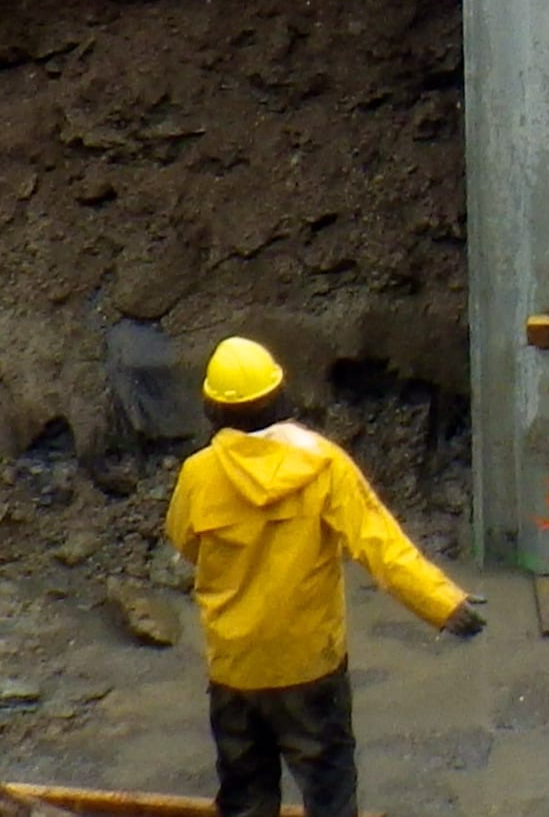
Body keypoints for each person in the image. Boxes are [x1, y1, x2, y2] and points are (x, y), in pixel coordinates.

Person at [166, 336, 483, 817]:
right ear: (280, 397)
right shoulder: (322, 464)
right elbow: (380, 545)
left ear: (212, 409)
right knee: (329, 791)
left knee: (245, 794)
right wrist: (443, 603)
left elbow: (186, 543)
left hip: (236, 666)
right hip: (309, 665)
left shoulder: (198, 474)